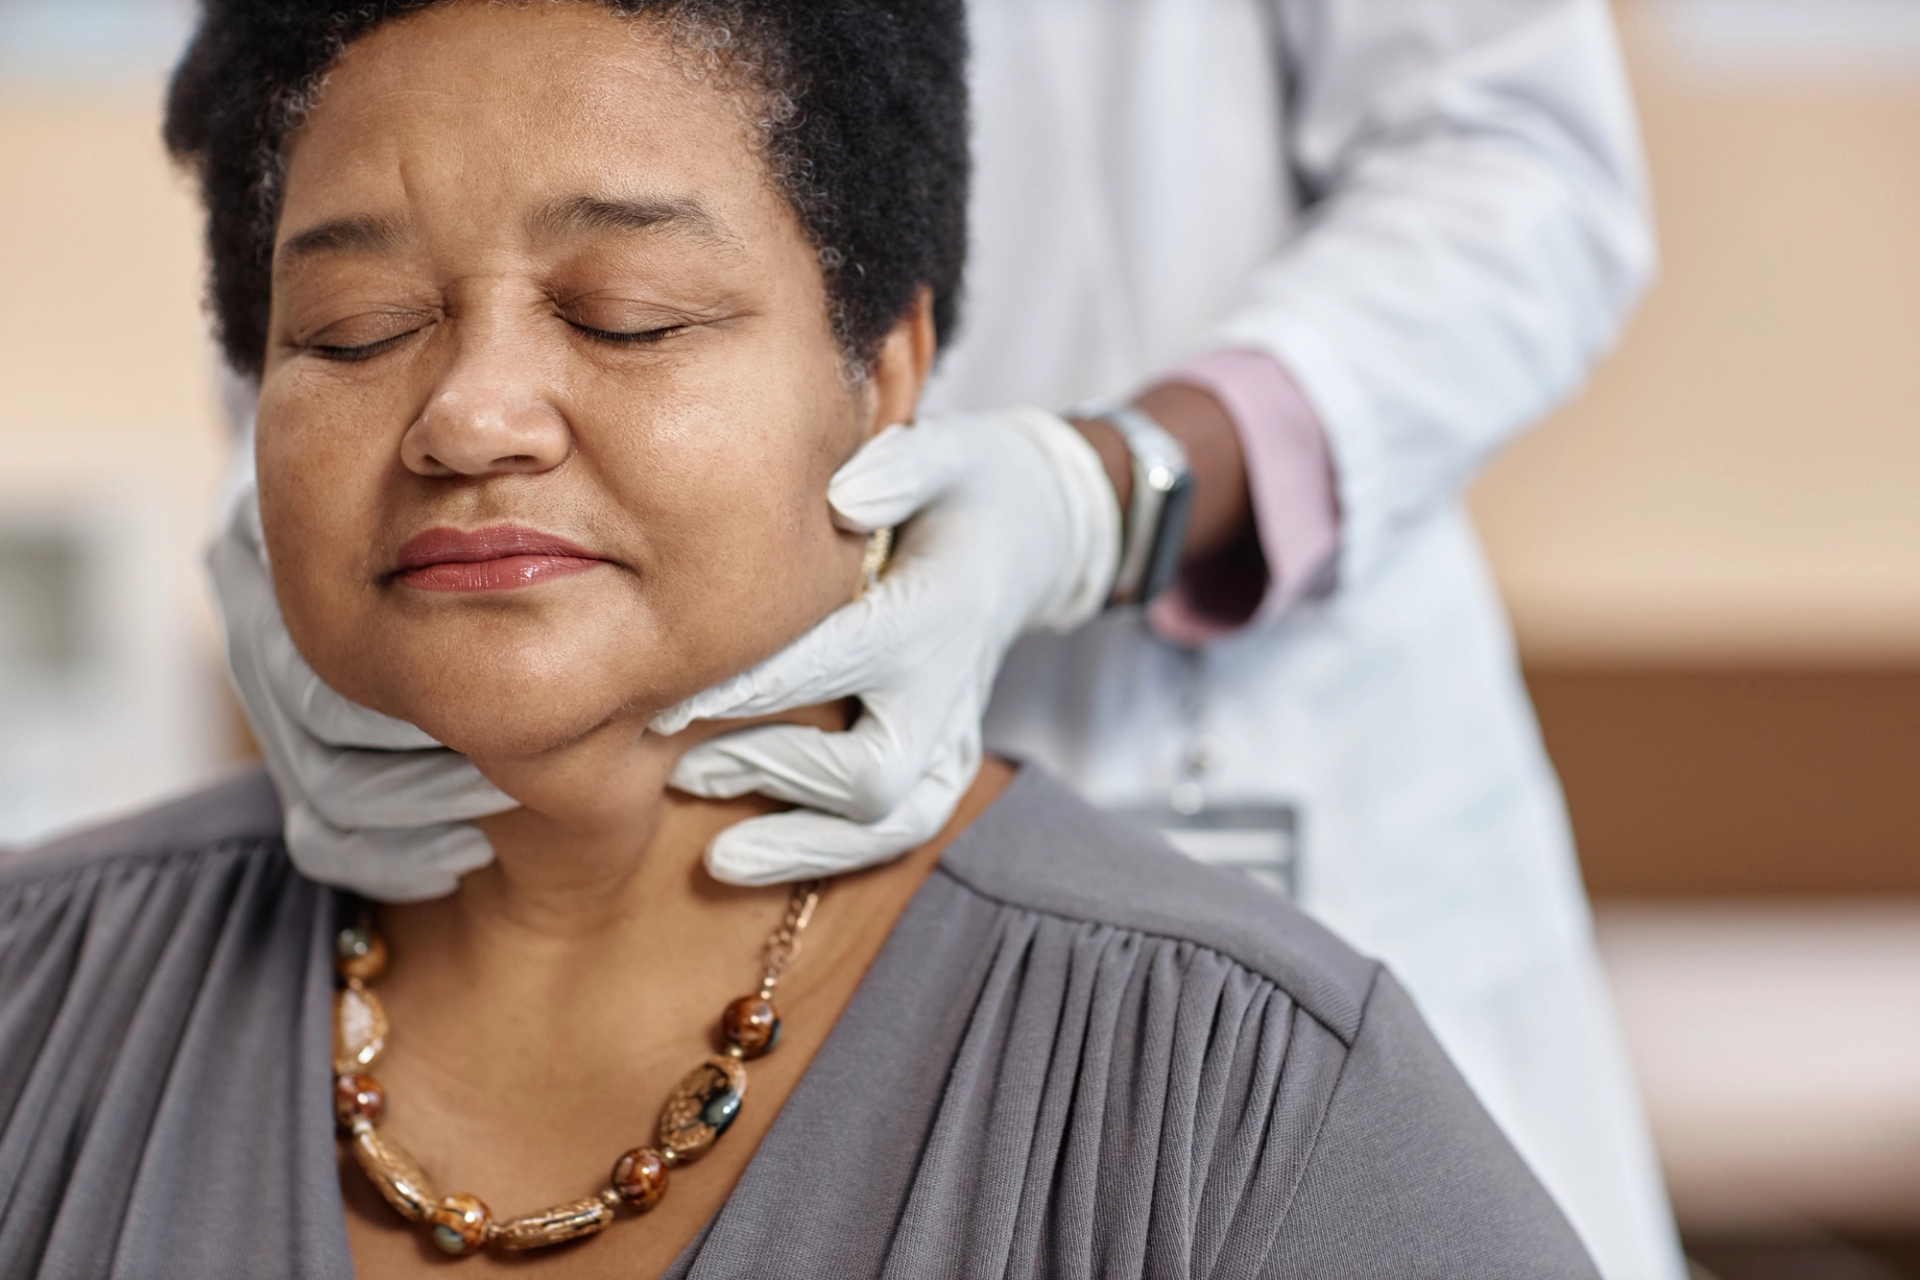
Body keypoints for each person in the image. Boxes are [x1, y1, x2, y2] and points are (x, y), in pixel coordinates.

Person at [0, 2, 1600, 1275]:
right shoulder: (48, 1008)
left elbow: (1518, 169)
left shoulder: (1238, 1100)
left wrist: (1112, 489)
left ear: (891, 371)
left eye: (626, 314)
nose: (470, 413)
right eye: (354, 334)